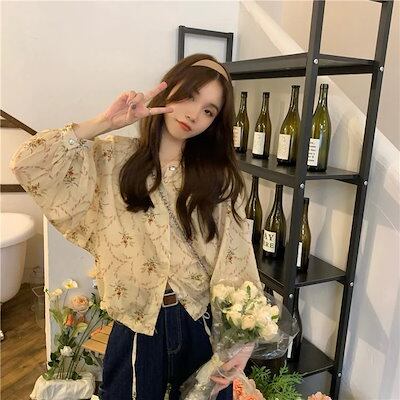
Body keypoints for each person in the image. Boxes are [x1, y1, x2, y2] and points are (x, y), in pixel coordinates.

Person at [9, 53, 264, 400]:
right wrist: (104, 122)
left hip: (197, 323)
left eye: (208, 110)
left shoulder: (217, 178)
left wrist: (242, 341)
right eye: (190, 96)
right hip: (135, 326)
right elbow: (29, 163)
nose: (194, 114)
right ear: (168, 89)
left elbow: (236, 255)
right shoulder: (113, 158)